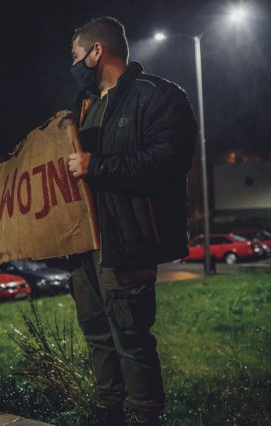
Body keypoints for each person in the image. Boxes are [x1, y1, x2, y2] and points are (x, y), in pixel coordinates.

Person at [65, 17, 197, 425]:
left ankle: (145, 416)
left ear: (96, 51)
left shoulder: (157, 97)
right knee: (97, 333)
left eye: (75, 56)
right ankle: (108, 410)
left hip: (128, 240)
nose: (73, 64)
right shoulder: (85, 106)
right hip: (87, 244)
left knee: (131, 336)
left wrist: (95, 165)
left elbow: (167, 163)